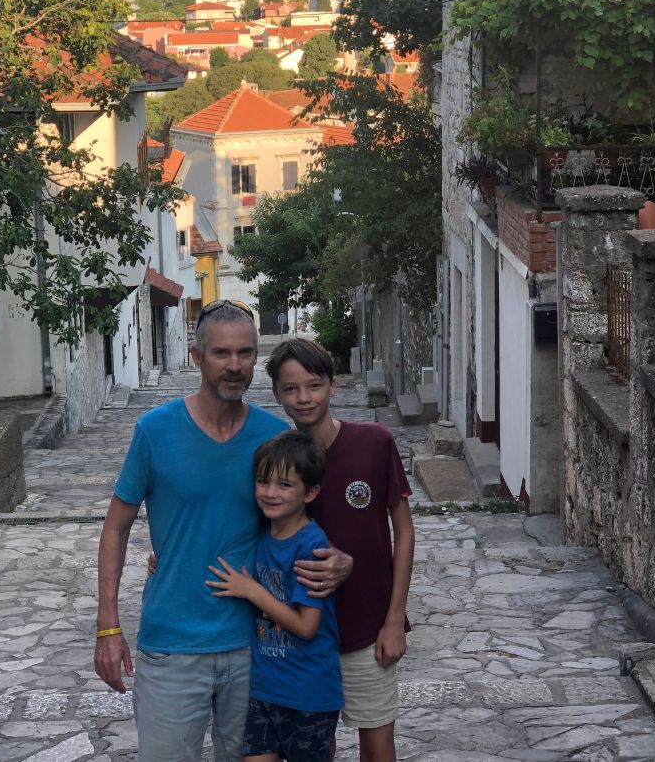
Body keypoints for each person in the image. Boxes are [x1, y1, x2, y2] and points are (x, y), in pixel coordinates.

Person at [93, 300, 351, 762]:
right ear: (197, 356)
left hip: (255, 650)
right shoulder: (155, 431)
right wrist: (108, 627)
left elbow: (311, 520)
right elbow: (115, 529)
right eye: (222, 353)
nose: (235, 366)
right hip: (172, 644)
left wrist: (343, 560)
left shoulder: (274, 439)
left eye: (246, 353)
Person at [265, 338, 415, 762]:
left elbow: (403, 531)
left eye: (313, 385)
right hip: (301, 636)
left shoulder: (374, 443)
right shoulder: (276, 466)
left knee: (378, 745)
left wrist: (393, 619)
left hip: (367, 628)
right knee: (313, 748)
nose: (303, 398)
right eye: (291, 389)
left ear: (333, 385)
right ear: (276, 393)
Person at [206, 430, 343, 762]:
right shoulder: (259, 535)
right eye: (263, 482)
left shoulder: (312, 547)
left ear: (310, 492)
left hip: (309, 693)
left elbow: (307, 626)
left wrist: (252, 590)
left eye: (284, 485)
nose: (269, 493)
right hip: (263, 690)